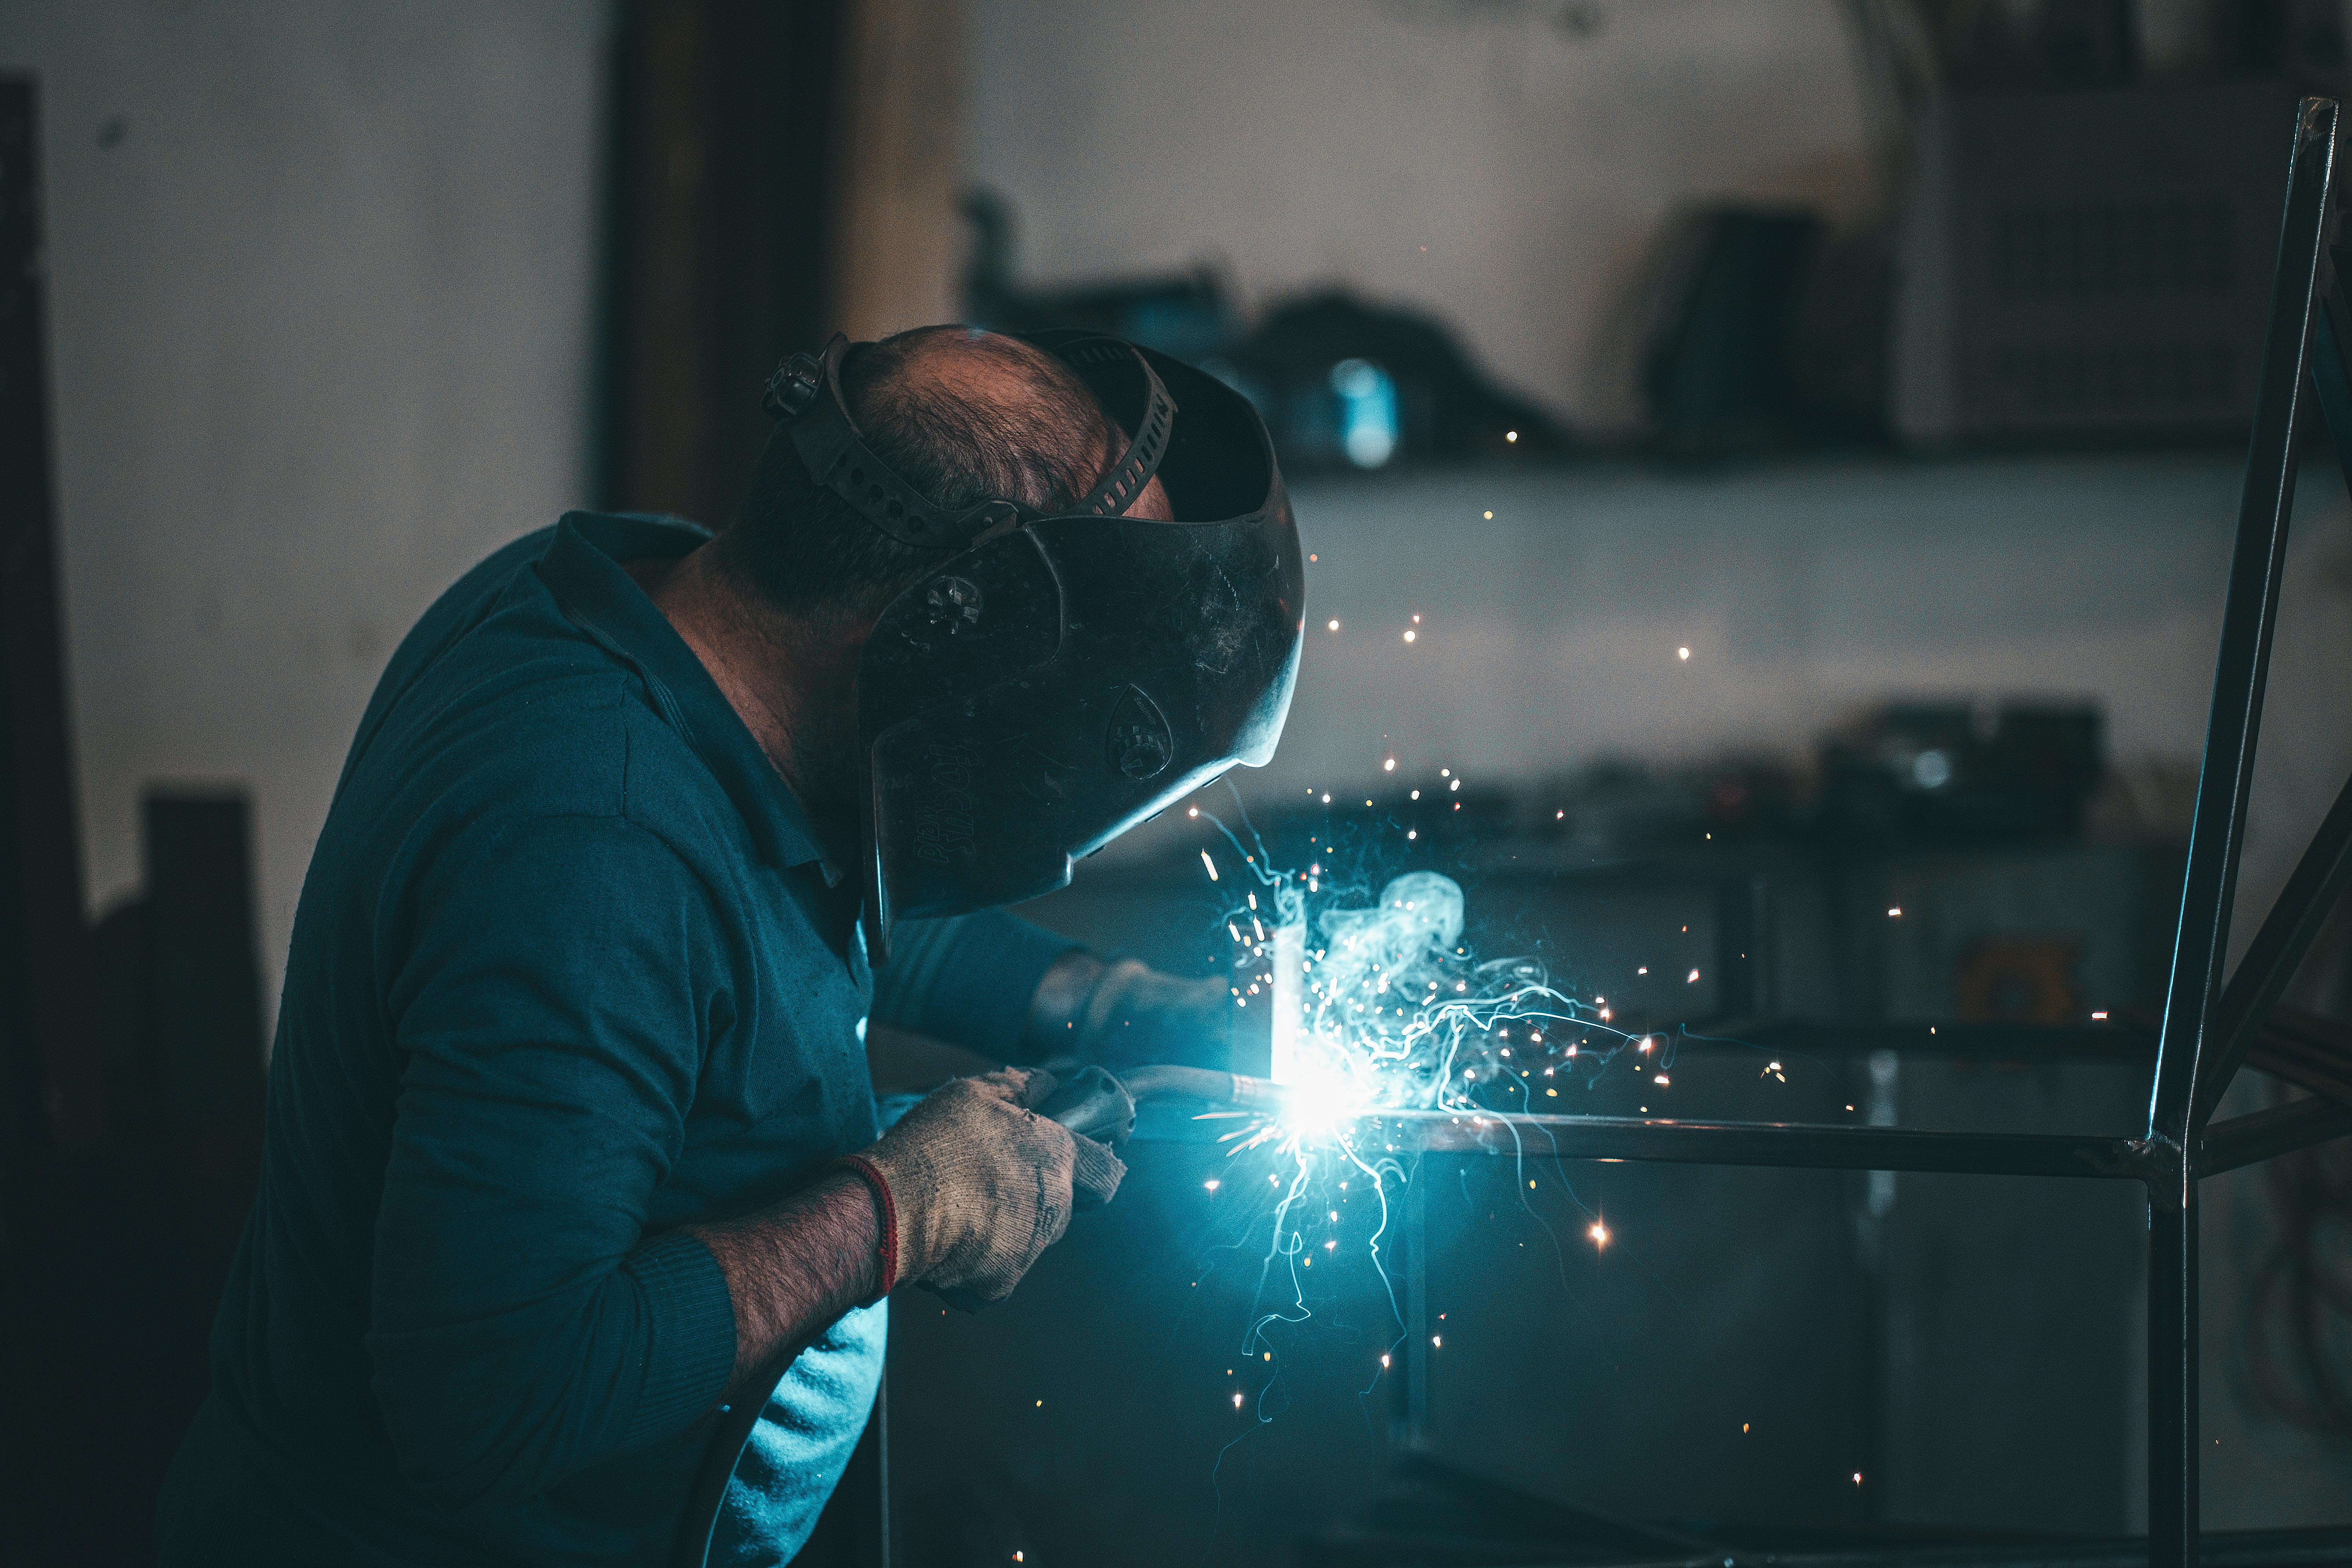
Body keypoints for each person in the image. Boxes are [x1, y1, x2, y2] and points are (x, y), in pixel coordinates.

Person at [156, 325, 1302, 1565]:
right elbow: (487, 1405)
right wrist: (893, 1213)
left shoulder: (652, 613)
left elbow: (796, 897)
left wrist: (1112, 1000)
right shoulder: (596, 846)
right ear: (943, 642)